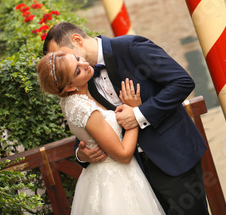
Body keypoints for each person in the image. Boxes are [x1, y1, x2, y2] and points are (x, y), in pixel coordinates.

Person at [43, 22, 209, 215]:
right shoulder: (81, 79)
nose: (65, 63)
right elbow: (89, 123)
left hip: (172, 160)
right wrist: (81, 155)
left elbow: (182, 82)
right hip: (132, 177)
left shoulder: (131, 46)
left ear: (77, 40)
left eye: (65, 56)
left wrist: (138, 114)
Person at [37, 51, 165, 214]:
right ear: (69, 86)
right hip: (116, 182)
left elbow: (88, 135)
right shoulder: (85, 110)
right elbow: (124, 155)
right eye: (77, 70)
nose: (84, 64)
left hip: (101, 176)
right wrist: (133, 111)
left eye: (77, 58)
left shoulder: (70, 99)